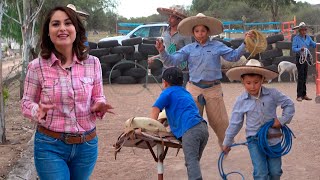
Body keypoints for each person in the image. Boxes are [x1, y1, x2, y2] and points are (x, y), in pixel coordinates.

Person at [21, 6, 113, 180]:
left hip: (87, 145)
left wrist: (99, 105)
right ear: (48, 32)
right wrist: (36, 110)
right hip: (50, 145)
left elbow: (98, 95)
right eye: (56, 24)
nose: (62, 28)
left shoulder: (93, 63)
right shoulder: (37, 67)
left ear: (76, 29)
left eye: (68, 23)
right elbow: (26, 102)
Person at [155, 13, 251, 149]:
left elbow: (234, 56)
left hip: (213, 89)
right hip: (194, 89)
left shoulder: (218, 46)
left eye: (203, 31)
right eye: (197, 31)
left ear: (208, 32)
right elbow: (172, 61)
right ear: (193, 33)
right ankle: (191, 149)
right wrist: (162, 51)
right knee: (190, 121)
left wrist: (245, 43)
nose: (200, 34)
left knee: (220, 122)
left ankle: (225, 146)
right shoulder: (188, 49)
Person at [222, 59, 295, 180]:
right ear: (242, 82)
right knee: (261, 174)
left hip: (274, 138)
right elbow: (235, 122)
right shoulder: (241, 101)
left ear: (262, 80)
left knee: (275, 172)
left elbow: (289, 104)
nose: (252, 86)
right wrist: (227, 141)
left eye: (256, 82)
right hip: (254, 140)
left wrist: (282, 120)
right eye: (248, 83)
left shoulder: (273, 94)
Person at [151, 67, 209, 180]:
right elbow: (181, 112)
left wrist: (152, 126)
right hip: (203, 129)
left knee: (191, 162)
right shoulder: (185, 93)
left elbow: (155, 109)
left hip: (190, 130)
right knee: (194, 162)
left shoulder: (167, 92)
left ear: (165, 83)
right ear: (182, 81)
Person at [148, 5, 192, 87]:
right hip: (167, 68)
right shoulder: (165, 33)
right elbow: (166, 52)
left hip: (180, 70)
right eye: (169, 17)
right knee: (166, 92)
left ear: (179, 19)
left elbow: (189, 52)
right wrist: (154, 57)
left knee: (180, 93)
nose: (169, 19)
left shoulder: (185, 34)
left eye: (172, 17)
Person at [292, 22, 317, 102]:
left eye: (305, 30)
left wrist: (317, 44)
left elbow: (313, 44)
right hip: (300, 58)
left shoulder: (308, 38)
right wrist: (300, 49)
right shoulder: (296, 38)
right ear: (299, 31)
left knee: (305, 76)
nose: (304, 31)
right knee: (301, 76)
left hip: (306, 58)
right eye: (302, 30)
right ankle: (299, 95)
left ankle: (304, 94)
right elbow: (293, 48)